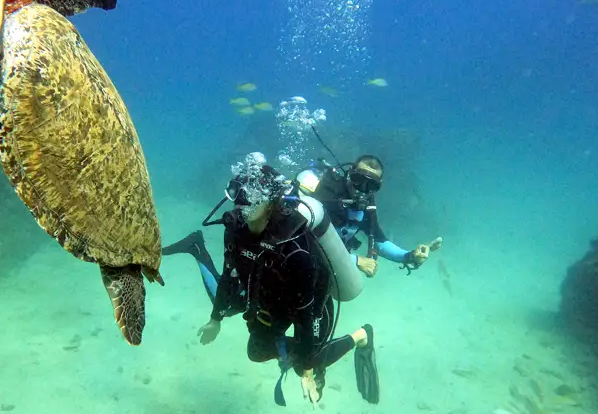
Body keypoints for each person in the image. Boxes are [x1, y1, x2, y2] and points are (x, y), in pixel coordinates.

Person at [168, 158, 378, 405]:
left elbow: (304, 314)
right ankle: (295, 355)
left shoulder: (294, 246)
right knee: (255, 353)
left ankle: (362, 335)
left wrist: (308, 368)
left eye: (251, 199)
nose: (241, 205)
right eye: (238, 196)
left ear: (270, 203)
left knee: (306, 364)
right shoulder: (236, 228)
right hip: (271, 297)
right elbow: (228, 275)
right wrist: (216, 319)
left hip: (311, 307)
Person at [297, 154, 441, 279]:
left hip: (322, 271)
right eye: (359, 180)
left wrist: (410, 256)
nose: (363, 190)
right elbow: (301, 240)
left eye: (371, 185)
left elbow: (380, 242)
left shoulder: (366, 208)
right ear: (349, 174)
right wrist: (355, 260)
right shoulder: (326, 192)